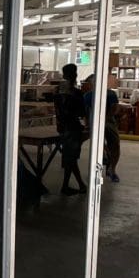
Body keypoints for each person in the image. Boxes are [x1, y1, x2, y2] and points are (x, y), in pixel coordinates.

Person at [53, 63, 88, 195]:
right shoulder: (77, 93)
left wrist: (59, 122)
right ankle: (75, 185)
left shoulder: (57, 91)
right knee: (71, 158)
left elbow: (57, 109)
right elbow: (82, 112)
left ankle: (69, 185)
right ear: (75, 75)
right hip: (73, 128)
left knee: (69, 158)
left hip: (63, 127)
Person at [83, 75, 121, 182]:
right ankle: (103, 162)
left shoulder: (110, 94)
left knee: (115, 145)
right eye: (93, 82)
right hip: (95, 122)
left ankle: (112, 170)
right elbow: (85, 112)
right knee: (98, 145)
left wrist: (105, 119)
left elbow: (114, 108)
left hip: (108, 122)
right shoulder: (88, 95)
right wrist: (87, 124)